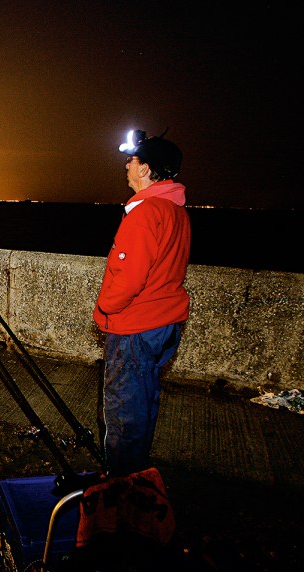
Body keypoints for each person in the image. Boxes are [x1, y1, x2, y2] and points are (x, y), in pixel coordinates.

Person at [94, 129, 191, 478]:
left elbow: (130, 277)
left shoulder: (147, 212)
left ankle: (121, 487)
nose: (127, 165)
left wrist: (105, 307)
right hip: (164, 324)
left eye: (133, 160)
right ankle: (139, 476)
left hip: (137, 326)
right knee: (145, 399)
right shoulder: (175, 211)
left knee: (123, 409)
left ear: (146, 170)